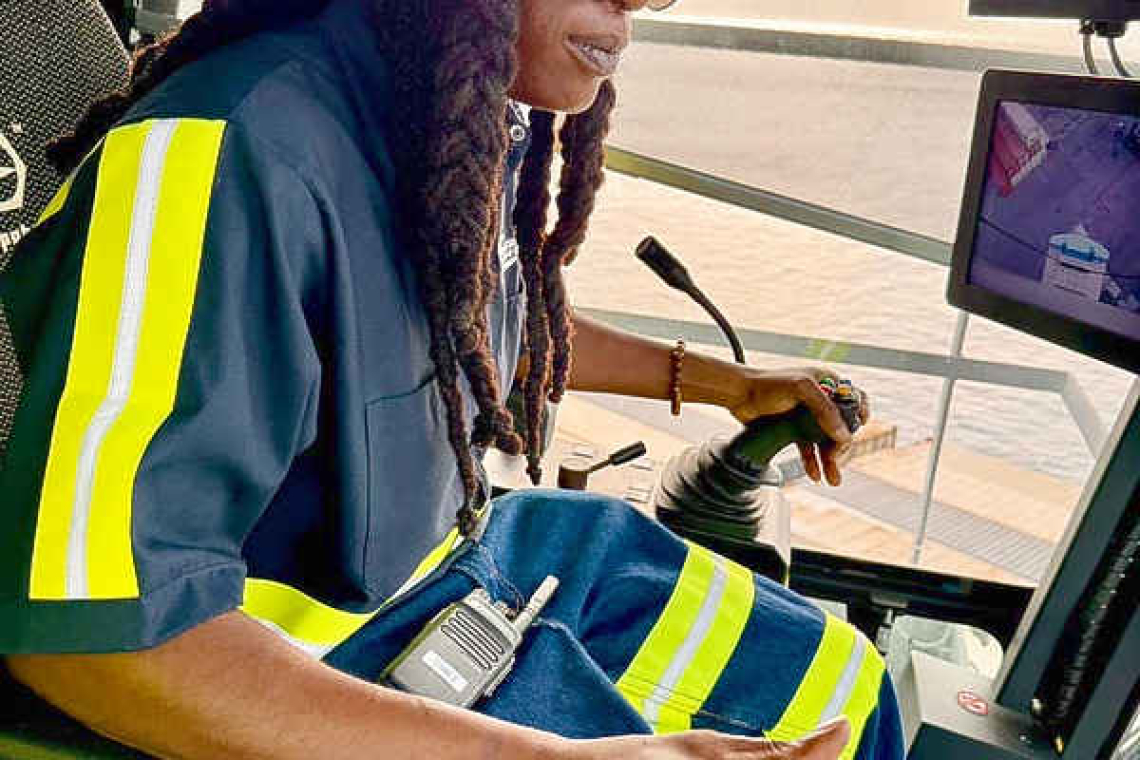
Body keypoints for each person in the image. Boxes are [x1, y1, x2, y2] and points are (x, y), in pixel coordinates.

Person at [0, 0, 905, 758]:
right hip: (315, 652)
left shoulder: (449, 107)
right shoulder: (228, 154)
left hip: (472, 558)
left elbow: (475, 325)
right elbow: (101, 641)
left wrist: (726, 385)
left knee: (857, 688)